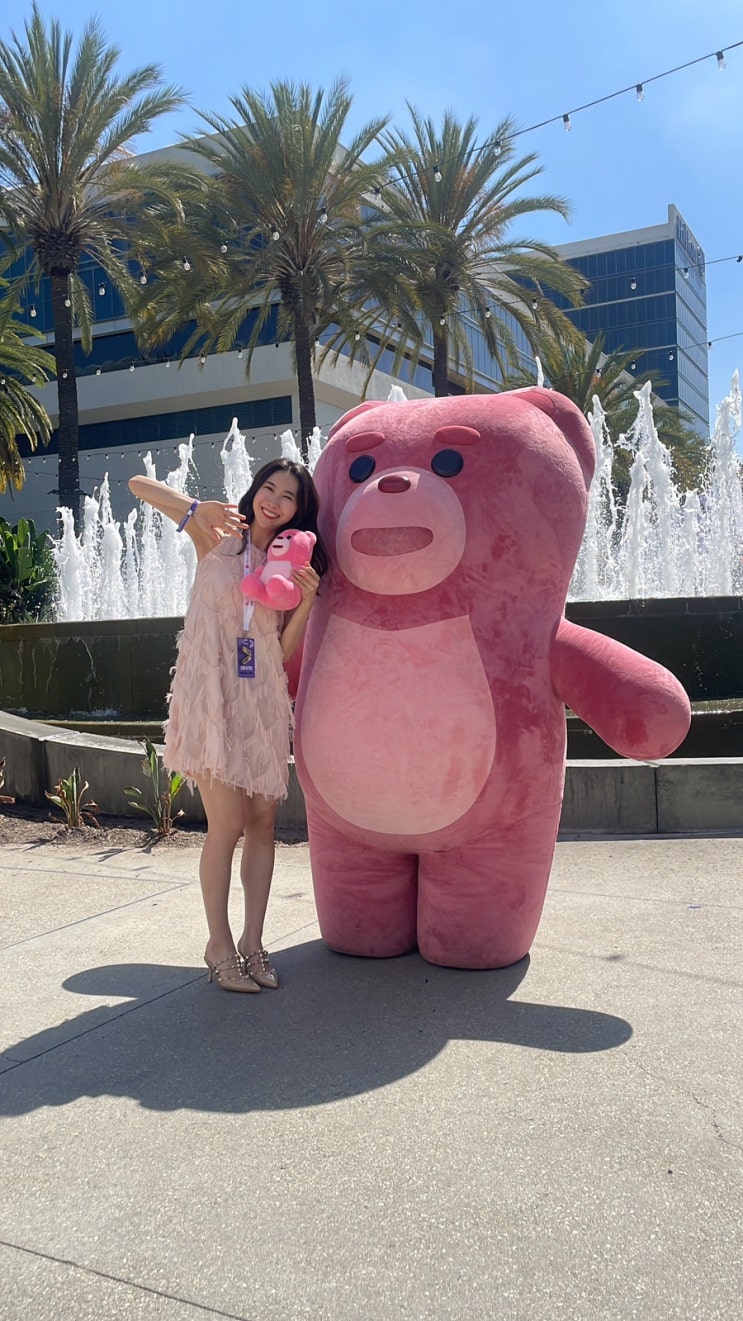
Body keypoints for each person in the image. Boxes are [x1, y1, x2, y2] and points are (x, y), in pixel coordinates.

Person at [128, 459, 328, 994]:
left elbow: (278, 650)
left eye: (288, 496)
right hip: (210, 697)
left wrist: (307, 600)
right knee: (228, 823)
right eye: (269, 488)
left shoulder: (289, 566)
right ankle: (218, 945)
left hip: (261, 700)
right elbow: (137, 484)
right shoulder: (216, 535)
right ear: (254, 490)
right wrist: (196, 508)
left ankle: (253, 943)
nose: (274, 501)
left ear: (298, 511)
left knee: (262, 823)